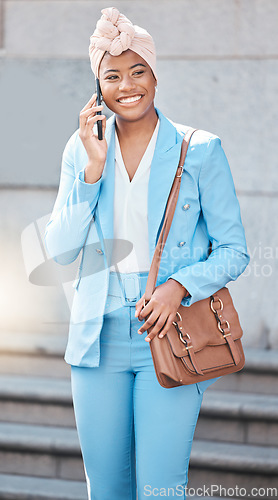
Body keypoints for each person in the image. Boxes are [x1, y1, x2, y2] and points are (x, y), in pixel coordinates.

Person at [44, 7, 250, 500]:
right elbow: (60, 250)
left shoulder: (198, 150)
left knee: (160, 488)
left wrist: (179, 287)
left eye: (138, 71)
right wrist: (92, 171)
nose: (127, 85)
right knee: (108, 490)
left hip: (171, 333)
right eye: (112, 76)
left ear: (155, 76)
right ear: (98, 88)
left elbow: (235, 251)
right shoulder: (82, 150)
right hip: (96, 340)